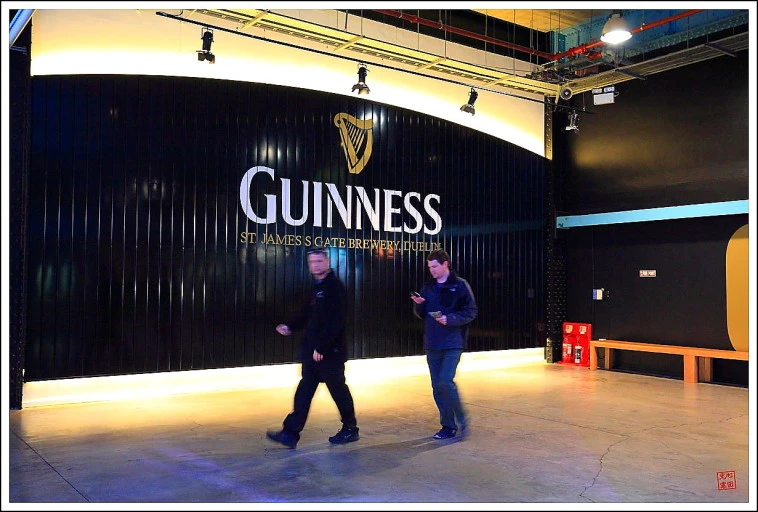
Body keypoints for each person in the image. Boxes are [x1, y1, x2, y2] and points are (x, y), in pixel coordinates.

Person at [266, 247, 359, 449]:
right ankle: (290, 433)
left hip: (329, 353)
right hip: (312, 352)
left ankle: (350, 428)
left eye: (318, 261)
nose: (315, 266)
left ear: (327, 262)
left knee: (338, 391)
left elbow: (336, 322)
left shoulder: (335, 288)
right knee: (304, 392)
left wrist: (322, 347)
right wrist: (290, 326)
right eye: (311, 262)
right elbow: (307, 315)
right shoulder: (316, 288)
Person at [411, 249, 478, 440]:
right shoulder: (428, 287)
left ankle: (461, 417)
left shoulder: (460, 285)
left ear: (445, 264)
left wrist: (451, 319)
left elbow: (471, 311)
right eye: (429, 267)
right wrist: (419, 304)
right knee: (437, 386)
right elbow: (421, 314)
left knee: (445, 382)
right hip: (432, 343)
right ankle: (448, 425)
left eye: (435, 266)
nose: (431, 270)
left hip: (452, 342)